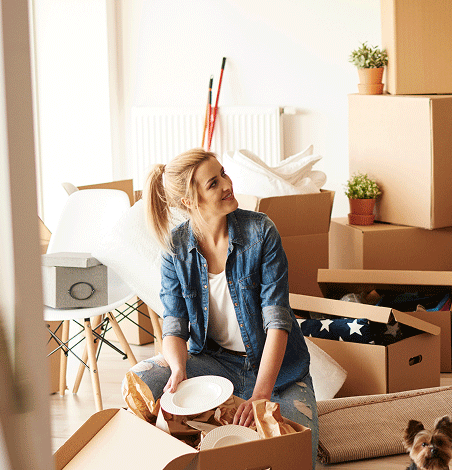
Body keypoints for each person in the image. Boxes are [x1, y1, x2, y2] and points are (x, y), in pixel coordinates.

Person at [127, 148, 319, 467]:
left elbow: (278, 323)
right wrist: (178, 370)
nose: (227, 184)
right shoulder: (176, 249)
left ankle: (227, 417)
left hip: (278, 371)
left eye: (223, 174)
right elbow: (175, 325)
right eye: (213, 183)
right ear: (190, 201)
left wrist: (260, 394)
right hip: (216, 363)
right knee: (141, 380)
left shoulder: (261, 232)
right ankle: (204, 431)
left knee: (295, 453)